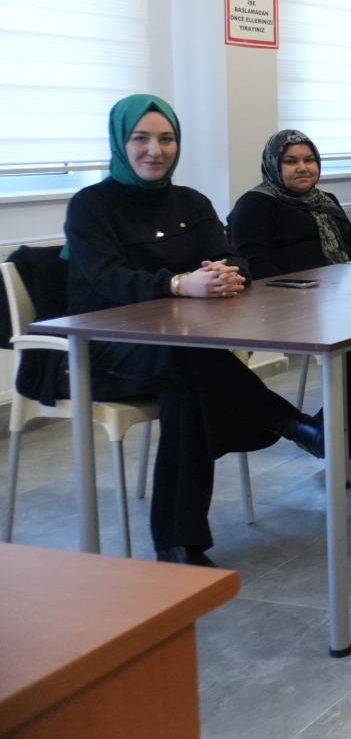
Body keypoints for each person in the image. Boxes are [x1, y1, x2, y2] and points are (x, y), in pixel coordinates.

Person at [62, 95, 324, 566]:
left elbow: (233, 257)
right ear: (120, 143)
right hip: (102, 349)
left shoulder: (191, 202)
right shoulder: (90, 206)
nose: (155, 150)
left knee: (184, 391)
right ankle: (285, 420)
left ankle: (180, 544)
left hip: (179, 349)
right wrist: (179, 283)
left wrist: (226, 274)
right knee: (186, 359)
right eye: (141, 139)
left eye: (166, 139)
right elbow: (108, 280)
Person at [229, 129, 351, 461]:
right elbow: (256, 266)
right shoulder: (255, 205)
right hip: (289, 306)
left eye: (309, 159)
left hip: (342, 298)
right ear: (274, 165)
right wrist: (310, 296)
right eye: (291, 161)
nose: (303, 167)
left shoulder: (325, 200)